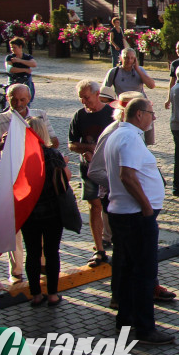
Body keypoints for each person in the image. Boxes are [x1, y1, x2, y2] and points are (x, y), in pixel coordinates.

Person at [103, 97, 174, 345]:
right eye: (151, 113)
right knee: (144, 272)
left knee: (128, 269)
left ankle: (126, 319)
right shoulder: (129, 138)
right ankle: (145, 328)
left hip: (125, 213)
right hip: (134, 215)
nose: (154, 117)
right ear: (139, 114)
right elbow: (128, 176)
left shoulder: (120, 135)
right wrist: (146, 207)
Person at [0, 83, 57, 283]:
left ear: (29, 98)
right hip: (12, 179)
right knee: (13, 226)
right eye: (14, 100)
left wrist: (36, 137)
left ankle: (42, 264)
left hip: (36, 178)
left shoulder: (40, 115)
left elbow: (54, 142)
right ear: (7, 99)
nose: (18, 103)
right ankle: (16, 271)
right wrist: (2, 144)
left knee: (40, 223)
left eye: (22, 100)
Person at [21, 117, 68, 308]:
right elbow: (64, 179)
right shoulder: (53, 155)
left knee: (32, 253)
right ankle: (53, 294)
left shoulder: (21, 156)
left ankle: (36, 295)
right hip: (52, 212)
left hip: (29, 212)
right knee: (52, 252)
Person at [69, 80, 115, 266]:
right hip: (88, 168)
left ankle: (118, 243)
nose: (83, 101)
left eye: (86, 97)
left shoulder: (111, 113)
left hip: (110, 168)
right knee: (94, 206)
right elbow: (71, 144)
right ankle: (99, 249)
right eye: (80, 98)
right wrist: (87, 149)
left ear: (97, 94)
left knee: (113, 206)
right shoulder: (79, 116)